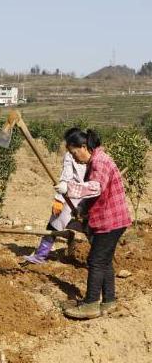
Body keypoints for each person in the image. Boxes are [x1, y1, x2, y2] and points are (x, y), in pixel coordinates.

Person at [57, 130, 131, 319]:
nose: (75, 158)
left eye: (75, 153)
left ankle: (90, 304)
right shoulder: (96, 160)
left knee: (96, 261)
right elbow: (95, 194)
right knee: (104, 261)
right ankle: (109, 301)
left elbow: (95, 187)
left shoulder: (100, 162)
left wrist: (69, 188)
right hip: (110, 219)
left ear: (84, 147)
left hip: (110, 221)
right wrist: (81, 209)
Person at [23, 127, 87, 264]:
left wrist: (58, 199)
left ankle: (40, 256)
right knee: (86, 228)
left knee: (55, 226)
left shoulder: (72, 155)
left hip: (76, 197)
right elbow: (68, 178)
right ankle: (103, 260)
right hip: (81, 197)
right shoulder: (88, 153)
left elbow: (66, 176)